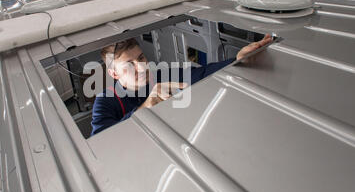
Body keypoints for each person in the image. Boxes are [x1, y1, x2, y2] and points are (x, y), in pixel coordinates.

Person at [90, 34, 273, 135]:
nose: (142, 67)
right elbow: (101, 141)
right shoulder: (106, 101)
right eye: (129, 64)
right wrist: (145, 106)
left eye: (141, 58)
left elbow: (202, 73)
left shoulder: (162, 75)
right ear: (113, 73)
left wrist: (238, 59)